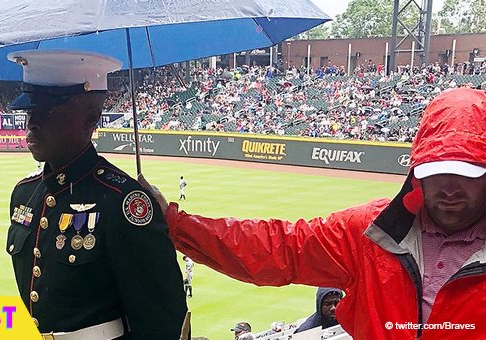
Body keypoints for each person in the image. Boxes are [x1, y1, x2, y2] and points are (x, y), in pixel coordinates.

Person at [140, 88, 486, 339]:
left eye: (468, 173)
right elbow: (279, 248)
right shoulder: (369, 231)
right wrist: (175, 223)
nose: (451, 188)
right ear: (416, 171)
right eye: (437, 171)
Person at [6, 50, 187, 339]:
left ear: (91, 118)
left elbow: (162, 324)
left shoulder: (122, 201)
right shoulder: (24, 195)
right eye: (30, 110)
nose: (32, 123)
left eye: (48, 110)